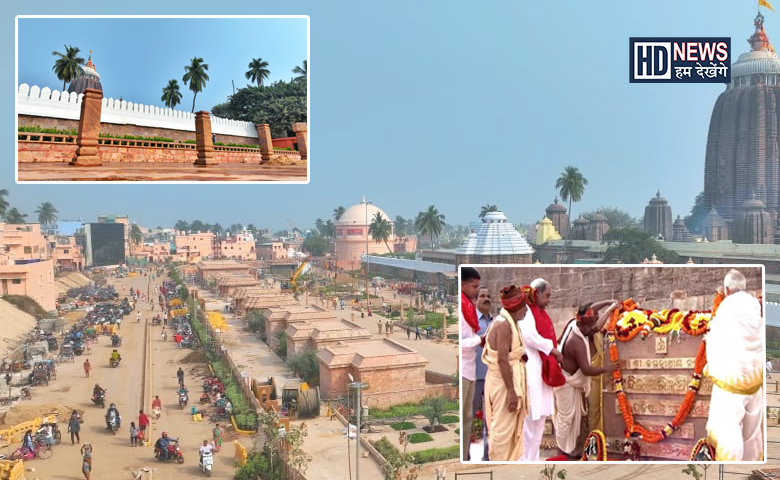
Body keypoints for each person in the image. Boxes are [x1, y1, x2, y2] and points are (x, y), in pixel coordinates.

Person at [705, 269, 764, 461]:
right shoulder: (754, 304)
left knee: (727, 431)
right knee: (752, 433)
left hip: (731, 380)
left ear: (727, 289)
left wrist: (709, 366)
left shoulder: (726, 306)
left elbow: (715, 338)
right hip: (755, 378)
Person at [553, 301, 619, 458]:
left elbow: (592, 313)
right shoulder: (576, 341)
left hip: (572, 382)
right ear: (581, 324)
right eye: (589, 327)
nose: (592, 330)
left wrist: (609, 304)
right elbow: (587, 370)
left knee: (576, 417)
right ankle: (561, 451)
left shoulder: (577, 324)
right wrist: (607, 368)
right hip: (566, 384)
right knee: (566, 418)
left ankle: (572, 450)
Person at [518, 279, 565, 461]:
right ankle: (525, 461)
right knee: (529, 422)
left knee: (539, 421)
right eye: (547, 296)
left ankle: (533, 459)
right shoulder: (526, 310)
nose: (549, 300)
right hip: (531, 370)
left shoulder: (540, 313)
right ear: (536, 293)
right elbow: (529, 335)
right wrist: (552, 350)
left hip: (542, 371)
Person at [482, 284, 529, 461]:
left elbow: (509, 355)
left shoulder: (510, 322)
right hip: (503, 384)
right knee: (502, 431)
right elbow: (502, 360)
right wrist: (511, 392)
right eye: (524, 307)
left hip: (506, 378)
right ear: (516, 307)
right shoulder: (503, 325)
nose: (526, 310)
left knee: (507, 429)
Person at [459, 266, 482, 461]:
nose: (476, 290)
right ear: (462, 284)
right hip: (464, 371)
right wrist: (479, 340)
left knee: (468, 418)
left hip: (471, 369)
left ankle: (465, 454)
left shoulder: (469, 306)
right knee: (464, 418)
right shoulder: (461, 307)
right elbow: (460, 342)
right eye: (474, 286)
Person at [473, 286, 494, 460]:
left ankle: (487, 455)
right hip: (473, 375)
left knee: (490, 420)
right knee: (468, 417)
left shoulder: (495, 322)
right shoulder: (471, 321)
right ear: (476, 299)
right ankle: (465, 453)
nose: (486, 299)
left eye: (488, 296)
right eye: (482, 296)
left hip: (491, 377)